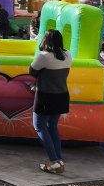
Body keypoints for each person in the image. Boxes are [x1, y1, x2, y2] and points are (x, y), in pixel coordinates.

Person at [29, 29, 73, 174]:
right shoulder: (68, 55)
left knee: (39, 126)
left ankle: (54, 161)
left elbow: (32, 71)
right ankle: (58, 160)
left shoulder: (44, 56)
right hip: (62, 95)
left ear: (45, 40)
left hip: (46, 96)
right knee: (53, 127)